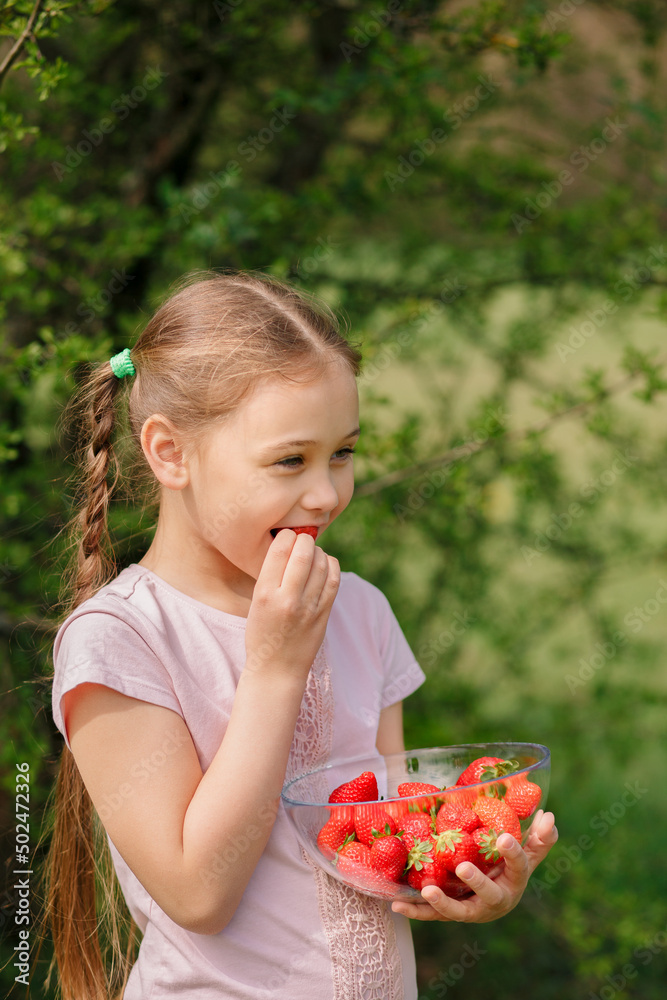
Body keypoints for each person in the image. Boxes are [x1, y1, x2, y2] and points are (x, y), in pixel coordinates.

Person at [47, 270, 558, 1000]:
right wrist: (276, 668)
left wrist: (465, 873)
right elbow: (197, 893)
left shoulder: (359, 609)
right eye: (290, 460)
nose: (326, 494)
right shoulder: (120, 640)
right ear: (169, 453)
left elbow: (389, 838)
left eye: (342, 453)